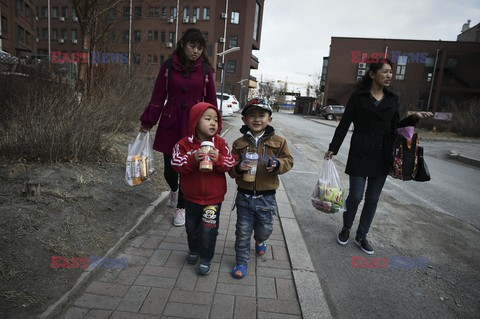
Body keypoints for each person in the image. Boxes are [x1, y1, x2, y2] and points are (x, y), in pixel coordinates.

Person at [324, 59, 432, 255]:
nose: (390, 75)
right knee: (356, 196)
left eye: (391, 72)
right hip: (360, 151)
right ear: (373, 74)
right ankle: (346, 228)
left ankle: (361, 235)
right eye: (385, 71)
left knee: (372, 199)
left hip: (383, 154)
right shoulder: (358, 97)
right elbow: (344, 124)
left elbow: (396, 127)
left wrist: (413, 118)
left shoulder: (392, 98)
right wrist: (334, 148)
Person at [140, 28, 217, 227]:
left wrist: (212, 129)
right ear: (183, 44)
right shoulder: (167, 67)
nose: (196, 51)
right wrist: (147, 122)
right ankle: (174, 189)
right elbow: (158, 97)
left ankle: (181, 208)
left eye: (200, 47)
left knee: (188, 168)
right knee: (170, 168)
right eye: (192, 46)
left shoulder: (206, 70)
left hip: (193, 125)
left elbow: (211, 103)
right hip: (171, 121)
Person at [229, 99, 294, 279]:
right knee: (242, 232)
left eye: (262, 115)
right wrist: (237, 168)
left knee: (265, 229)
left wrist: (278, 164)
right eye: (252, 115)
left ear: (270, 119)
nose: (257, 119)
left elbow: (289, 161)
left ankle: (260, 240)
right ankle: (241, 261)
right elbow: (230, 168)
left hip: (267, 197)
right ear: (244, 119)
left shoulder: (279, 141)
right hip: (244, 196)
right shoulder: (238, 143)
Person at [171, 102, 235, 275]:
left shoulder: (221, 144)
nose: (213, 123)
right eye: (207, 119)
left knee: (208, 230)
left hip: (214, 199)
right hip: (191, 198)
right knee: (191, 227)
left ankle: (206, 257)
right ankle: (193, 250)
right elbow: (176, 164)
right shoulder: (184, 144)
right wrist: (193, 158)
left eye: (216, 119)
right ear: (195, 122)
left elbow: (230, 164)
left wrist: (219, 159)